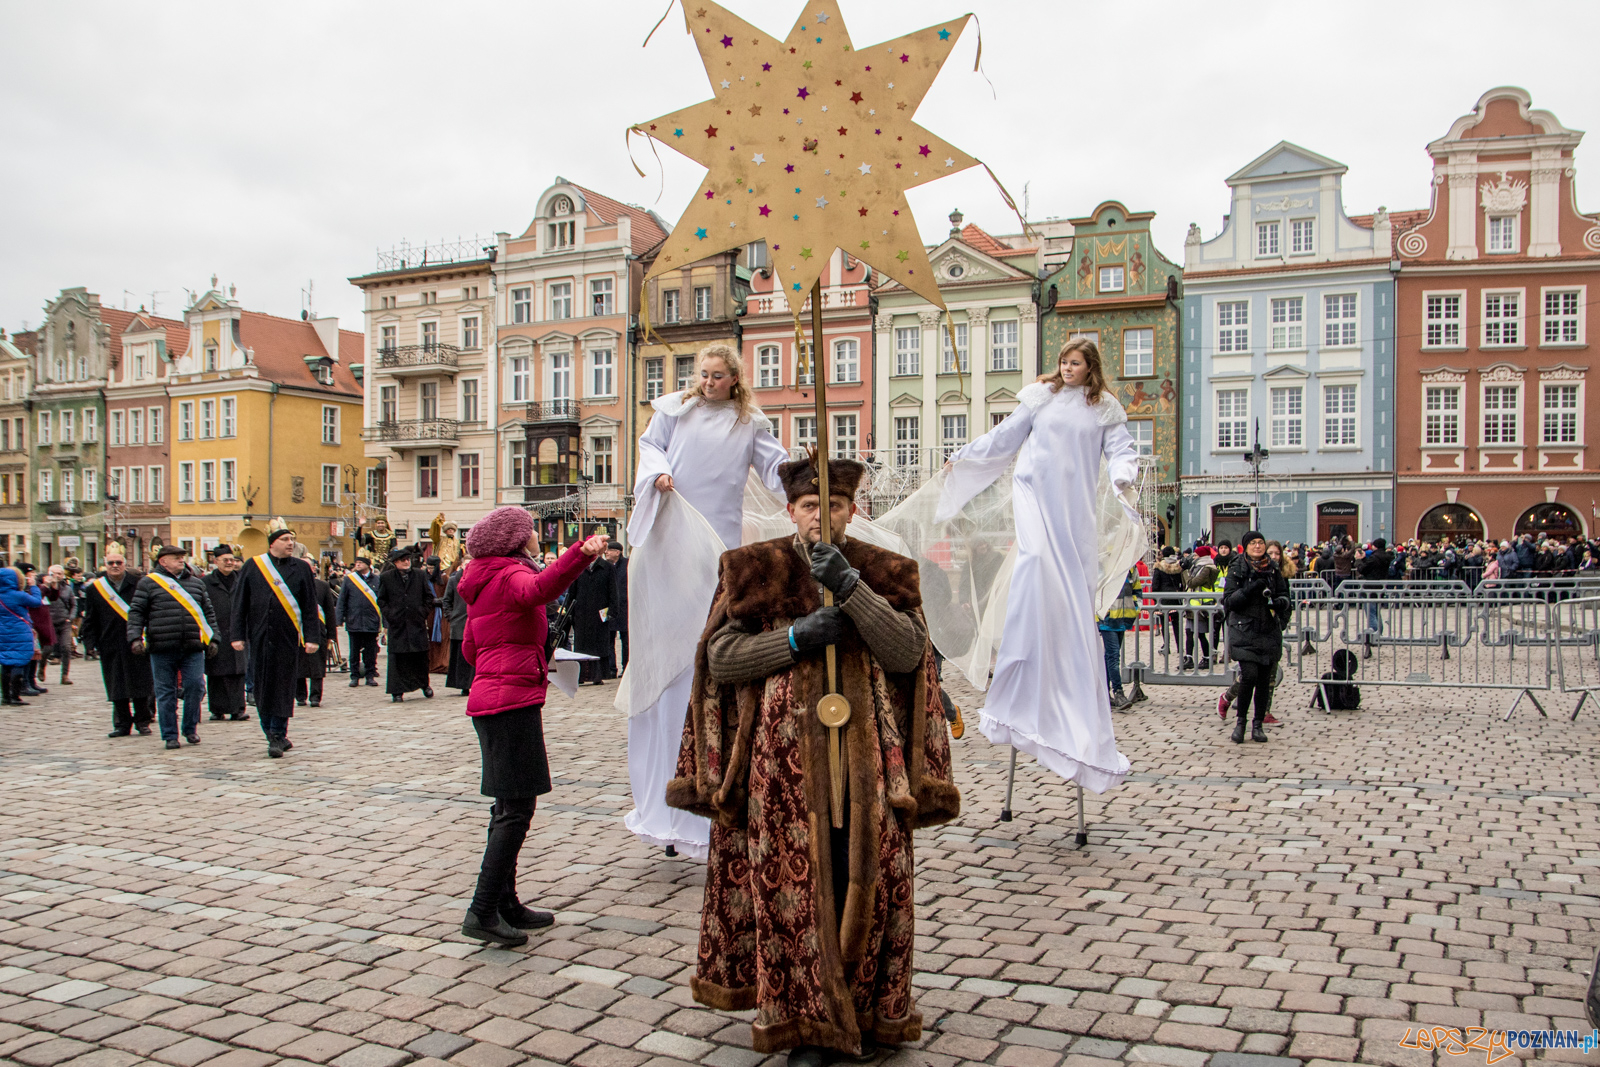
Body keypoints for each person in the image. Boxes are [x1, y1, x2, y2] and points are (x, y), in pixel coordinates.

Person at [667, 452, 959, 1064]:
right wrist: (794, 639)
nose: (821, 517)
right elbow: (721, 659)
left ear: (852, 510)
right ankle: (807, 1023)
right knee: (796, 881)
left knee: (872, 875)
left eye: (833, 505)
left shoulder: (884, 569)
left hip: (868, 758)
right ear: (791, 511)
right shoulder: (755, 569)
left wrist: (854, 592)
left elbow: (909, 654)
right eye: (808, 506)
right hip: (783, 757)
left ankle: (869, 1009)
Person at [937, 337, 1140, 792]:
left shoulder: (1103, 407)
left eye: (1077, 363)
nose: (1068, 369)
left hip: (1075, 512)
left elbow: (1121, 448)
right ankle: (1017, 682)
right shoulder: (1038, 397)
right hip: (1034, 497)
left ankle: (1065, 693)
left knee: (1070, 597)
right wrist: (965, 456)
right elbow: (1004, 438)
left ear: (1091, 368)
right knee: (1032, 568)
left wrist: (1123, 473)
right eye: (1064, 362)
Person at [624, 340, 789, 857]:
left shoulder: (750, 423)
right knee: (672, 655)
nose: (708, 382)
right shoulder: (675, 410)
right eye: (703, 374)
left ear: (734, 379)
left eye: (718, 375)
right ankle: (662, 798)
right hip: (673, 538)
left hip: (718, 546)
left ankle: (711, 791)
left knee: (710, 651)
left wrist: (808, 483)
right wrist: (656, 474)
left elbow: (776, 471)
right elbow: (649, 447)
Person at [456, 507, 606, 946]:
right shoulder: (510, 574)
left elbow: (470, 650)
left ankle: (506, 903)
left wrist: (521, 657)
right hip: (510, 702)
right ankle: (482, 911)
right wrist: (582, 552)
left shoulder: (483, 578)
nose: (538, 538)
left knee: (507, 806)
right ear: (517, 541)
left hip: (491, 699)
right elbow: (542, 589)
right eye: (532, 533)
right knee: (517, 808)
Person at [230, 523, 323, 758]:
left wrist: (312, 637)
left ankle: (278, 733)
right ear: (272, 543)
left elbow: (309, 606)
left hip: (288, 637)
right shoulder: (254, 565)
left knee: (283, 686)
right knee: (261, 686)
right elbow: (240, 603)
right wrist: (237, 635)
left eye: (292, 539)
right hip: (260, 636)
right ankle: (270, 732)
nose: (290, 543)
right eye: (285, 540)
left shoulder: (301, 568)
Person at [127, 545, 220, 751]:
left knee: (195, 687)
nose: (181, 560)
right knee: (165, 692)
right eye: (176, 557)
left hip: (192, 646)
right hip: (162, 645)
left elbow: (208, 613)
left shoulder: (196, 584)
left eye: (182, 557)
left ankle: (190, 728)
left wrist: (214, 639)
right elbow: (136, 613)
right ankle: (170, 734)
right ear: (163, 561)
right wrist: (135, 638)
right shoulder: (148, 584)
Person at [1223, 530, 1292, 744]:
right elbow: (1229, 600)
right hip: (1244, 629)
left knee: (1264, 680)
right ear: (1246, 546)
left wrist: (1281, 605)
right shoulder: (1237, 567)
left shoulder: (1272, 569)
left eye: (1260, 542)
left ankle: (1258, 724)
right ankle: (1241, 722)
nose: (1258, 546)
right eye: (1253, 543)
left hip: (1268, 629)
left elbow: (1285, 595)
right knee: (1249, 675)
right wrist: (1251, 589)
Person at [82, 553, 154, 733]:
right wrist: (90, 644)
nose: (115, 565)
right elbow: (90, 619)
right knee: (116, 686)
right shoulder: (96, 589)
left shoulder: (139, 583)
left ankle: (143, 721)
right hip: (109, 642)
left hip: (137, 640)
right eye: (111, 563)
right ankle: (122, 724)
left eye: (119, 562)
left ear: (125, 564)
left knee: (140, 684)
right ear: (105, 565)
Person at [378, 546, 433, 702]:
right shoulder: (387, 577)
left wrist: (422, 612)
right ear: (396, 562)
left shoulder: (419, 575)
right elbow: (382, 600)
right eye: (403, 560)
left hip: (416, 623)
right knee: (398, 659)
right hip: (398, 624)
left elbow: (428, 597)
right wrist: (390, 615)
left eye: (408, 559)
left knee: (420, 657)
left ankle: (424, 684)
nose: (406, 562)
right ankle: (397, 690)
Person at [202, 546, 248, 721]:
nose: (230, 563)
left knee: (238, 672)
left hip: (238, 631)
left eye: (232, 560)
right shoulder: (205, 583)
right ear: (216, 562)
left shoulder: (241, 580)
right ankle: (217, 709)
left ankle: (238, 708)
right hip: (215, 631)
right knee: (216, 672)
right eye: (225, 560)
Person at [567, 551, 615, 684]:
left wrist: (611, 612)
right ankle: (581, 676)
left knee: (599, 645)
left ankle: (598, 676)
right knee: (581, 644)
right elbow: (572, 592)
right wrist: (570, 610)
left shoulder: (607, 567)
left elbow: (613, 591)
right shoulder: (578, 566)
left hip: (600, 613)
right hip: (581, 613)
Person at [1098, 568, 1140, 709]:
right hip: (1108, 620)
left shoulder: (1131, 568)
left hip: (1123, 618)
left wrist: (1135, 608)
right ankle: (1118, 692)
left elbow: (1137, 590)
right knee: (1113, 656)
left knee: (1110, 657)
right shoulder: (1106, 565)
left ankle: (1103, 692)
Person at [0, 567, 42, 706]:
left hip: (2, 633)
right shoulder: (18, 595)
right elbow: (36, 602)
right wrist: (33, 586)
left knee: (6, 663)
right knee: (19, 662)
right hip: (20, 633)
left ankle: (5, 696)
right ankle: (15, 696)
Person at [296, 571, 338, 707]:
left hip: (317, 630)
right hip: (297, 630)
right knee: (298, 665)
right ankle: (300, 695)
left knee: (317, 666)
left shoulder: (322, 586)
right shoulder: (290, 585)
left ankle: (315, 696)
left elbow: (329, 612)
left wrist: (331, 635)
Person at [338, 556, 382, 687]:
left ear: (368, 565)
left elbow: (382, 601)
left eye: (360, 563)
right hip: (354, 620)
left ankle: (370, 675)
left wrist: (384, 622)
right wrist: (339, 618)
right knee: (354, 651)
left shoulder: (377, 580)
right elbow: (342, 600)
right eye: (356, 563)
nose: (357, 565)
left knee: (371, 651)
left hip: (371, 620)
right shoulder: (349, 579)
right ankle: (354, 676)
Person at [443, 557, 473, 696]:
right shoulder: (454, 580)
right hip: (459, 623)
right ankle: (463, 685)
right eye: (466, 564)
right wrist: (451, 616)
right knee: (460, 656)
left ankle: (472, 683)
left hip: (474, 622)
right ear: (461, 565)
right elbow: (447, 600)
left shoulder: (477, 578)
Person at [43, 564, 75, 685]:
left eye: (59, 573)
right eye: (54, 573)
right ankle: (42, 667)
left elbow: (73, 604)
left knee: (66, 648)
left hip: (64, 621)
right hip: (49, 622)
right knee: (47, 649)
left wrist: (70, 618)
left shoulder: (67, 588)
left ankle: (65, 675)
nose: (57, 576)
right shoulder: (44, 588)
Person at [605, 543, 628, 674]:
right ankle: (611, 668)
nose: (606, 552)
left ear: (617, 552)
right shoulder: (607, 566)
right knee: (608, 640)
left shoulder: (626, 565)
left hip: (625, 609)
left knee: (626, 640)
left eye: (609, 550)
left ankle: (626, 668)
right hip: (609, 609)